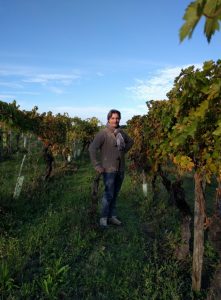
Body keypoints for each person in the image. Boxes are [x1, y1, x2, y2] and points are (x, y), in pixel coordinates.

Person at [89, 109, 134, 227]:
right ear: (108, 119)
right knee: (109, 194)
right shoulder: (103, 133)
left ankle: (112, 216)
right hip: (109, 169)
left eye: (117, 118)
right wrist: (97, 165)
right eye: (113, 118)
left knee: (115, 193)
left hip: (120, 168)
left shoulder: (121, 132)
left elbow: (131, 141)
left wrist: (123, 151)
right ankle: (103, 217)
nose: (115, 120)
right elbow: (92, 149)